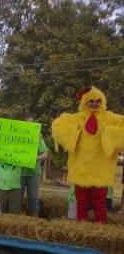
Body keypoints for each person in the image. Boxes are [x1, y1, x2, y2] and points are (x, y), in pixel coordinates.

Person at [52, 86, 124, 223]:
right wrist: (74, 130)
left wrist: (109, 132)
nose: (94, 103)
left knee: (100, 203)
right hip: (81, 169)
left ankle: (100, 228)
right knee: (81, 203)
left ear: (102, 102)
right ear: (84, 102)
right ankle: (81, 226)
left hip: (100, 170)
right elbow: (58, 125)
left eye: (98, 100)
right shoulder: (77, 118)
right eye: (90, 101)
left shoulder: (109, 118)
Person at [21, 115, 48, 217]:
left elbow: (45, 154)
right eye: (26, 123)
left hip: (34, 173)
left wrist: (34, 158)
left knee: (33, 197)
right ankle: (17, 219)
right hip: (20, 173)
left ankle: (34, 219)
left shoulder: (38, 137)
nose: (29, 125)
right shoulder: (17, 137)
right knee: (17, 197)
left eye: (31, 123)